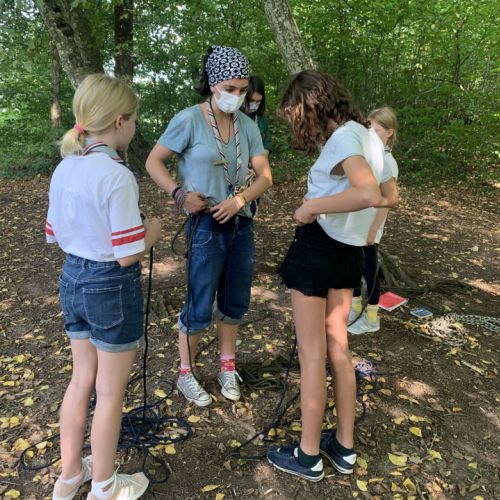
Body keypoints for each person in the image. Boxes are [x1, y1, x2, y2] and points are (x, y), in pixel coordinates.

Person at [266, 71, 397, 481]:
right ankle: (344, 446)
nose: (295, 123)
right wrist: (325, 201)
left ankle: (307, 456)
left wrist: (311, 207)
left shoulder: (343, 137)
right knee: (338, 349)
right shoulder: (368, 138)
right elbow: (378, 192)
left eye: (295, 113)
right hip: (349, 254)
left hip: (319, 251)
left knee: (312, 355)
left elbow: (368, 193)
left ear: (311, 105)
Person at [46, 74, 161, 500]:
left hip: (72, 278)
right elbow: (128, 253)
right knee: (110, 393)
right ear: (119, 122)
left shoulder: (65, 167)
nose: (134, 127)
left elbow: (53, 233)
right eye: (134, 119)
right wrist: (153, 230)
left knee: (81, 380)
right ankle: (105, 486)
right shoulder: (116, 174)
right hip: (110, 285)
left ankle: (69, 476)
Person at [146, 46, 272, 407]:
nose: (237, 96)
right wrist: (179, 194)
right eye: (230, 89)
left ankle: (227, 368)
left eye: (242, 90)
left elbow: (265, 177)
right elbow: (154, 161)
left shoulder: (248, 126)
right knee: (200, 301)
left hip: (241, 224)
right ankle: (186, 373)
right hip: (205, 224)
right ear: (213, 84)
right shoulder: (189, 119)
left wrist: (240, 200)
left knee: (234, 301)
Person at [348, 107, 399, 335]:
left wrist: (373, 230)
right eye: (368, 130)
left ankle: (371, 318)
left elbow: (387, 201)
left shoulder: (388, 162)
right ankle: (353, 309)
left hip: (370, 229)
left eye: (376, 131)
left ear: (389, 132)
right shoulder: (369, 158)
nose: (371, 135)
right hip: (357, 226)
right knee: (353, 269)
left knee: (370, 272)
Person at [242, 76, 272, 157]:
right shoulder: (233, 117)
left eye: (258, 101)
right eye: (251, 100)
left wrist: (263, 156)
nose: (254, 104)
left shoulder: (262, 120)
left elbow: (267, 144)